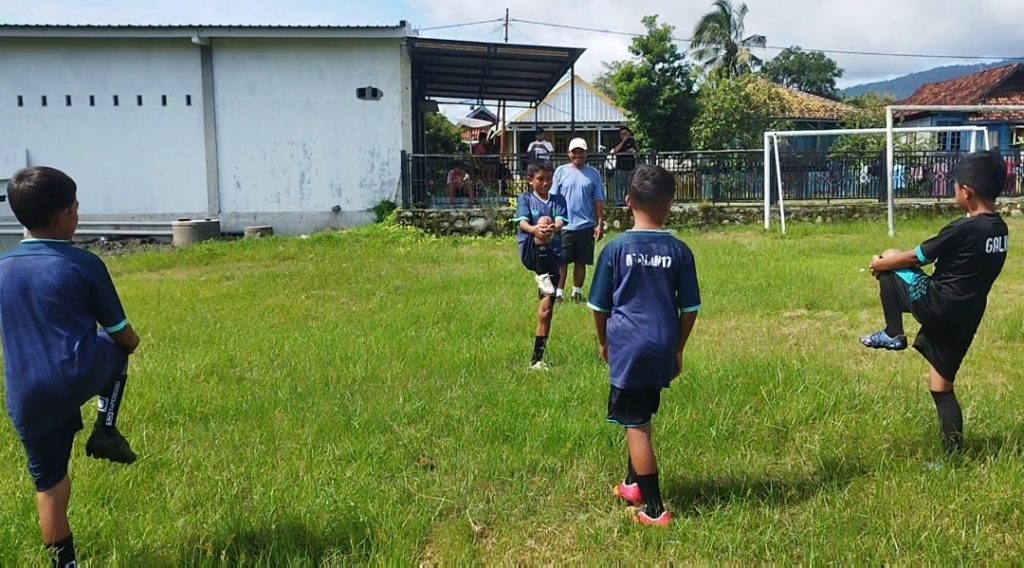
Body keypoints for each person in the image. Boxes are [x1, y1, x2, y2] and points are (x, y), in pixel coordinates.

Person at [0, 167, 142, 567]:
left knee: (49, 486)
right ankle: (106, 430)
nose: (78, 215)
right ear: (64, 214)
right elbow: (122, 334)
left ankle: (66, 565)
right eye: (76, 208)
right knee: (116, 350)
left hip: (26, 397)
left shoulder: (2, 267)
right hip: (75, 374)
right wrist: (132, 344)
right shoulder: (83, 264)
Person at [862, 151, 1010, 455]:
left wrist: (880, 264)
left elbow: (917, 256)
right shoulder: (1001, 231)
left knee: (890, 260)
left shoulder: (963, 228)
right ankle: (953, 457)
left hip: (939, 305)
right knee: (941, 387)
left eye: (955, 185)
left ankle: (893, 333)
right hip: (967, 317)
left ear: (966, 191)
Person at [588, 164, 700, 527]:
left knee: (635, 423)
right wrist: (677, 347)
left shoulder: (615, 249)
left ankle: (654, 509)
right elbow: (690, 309)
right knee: (639, 414)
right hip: (662, 344)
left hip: (628, 346)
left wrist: (604, 342)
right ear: (670, 203)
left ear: (627, 201)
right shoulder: (680, 251)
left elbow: (600, 307)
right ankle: (632, 484)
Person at [514, 161, 568, 370]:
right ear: (530, 181)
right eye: (540, 179)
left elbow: (562, 221)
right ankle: (541, 273)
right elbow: (522, 223)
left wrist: (553, 228)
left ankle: (537, 359)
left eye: (549, 179)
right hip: (531, 251)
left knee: (546, 309)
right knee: (544, 219)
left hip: (552, 253)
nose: (546, 183)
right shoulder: (526, 199)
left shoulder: (558, 199)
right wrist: (537, 229)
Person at [552, 137, 605, 302]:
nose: (578, 155)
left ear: (586, 153)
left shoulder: (593, 174)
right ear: (569, 153)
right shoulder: (560, 172)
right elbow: (553, 198)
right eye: (574, 152)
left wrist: (599, 223)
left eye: (581, 151)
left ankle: (577, 292)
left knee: (581, 261)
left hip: (585, 225)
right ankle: (559, 293)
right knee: (562, 261)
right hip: (564, 225)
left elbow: (598, 200)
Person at [611, 126, 637, 206]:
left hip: (630, 167)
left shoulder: (632, 141)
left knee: (629, 186)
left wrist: (622, 153)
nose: (623, 135)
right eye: (622, 134)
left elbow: (632, 151)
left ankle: (628, 201)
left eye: (625, 133)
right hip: (620, 167)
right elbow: (615, 151)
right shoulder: (618, 141)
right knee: (618, 185)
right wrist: (623, 141)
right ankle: (618, 202)